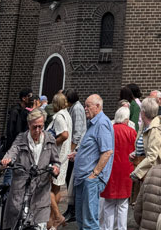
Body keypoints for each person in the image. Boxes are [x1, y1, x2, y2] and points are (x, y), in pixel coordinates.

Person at [0, 107, 61, 230]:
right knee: (17, 223)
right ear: (29, 125)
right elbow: (12, 152)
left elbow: (56, 161)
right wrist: (5, 161)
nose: (38, 130)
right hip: (21, 190)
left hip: (40, 192)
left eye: (40, 126)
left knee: (39, 225)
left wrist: (56, 168)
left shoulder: (49, 140)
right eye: (34, 127)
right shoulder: (21, 139)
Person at [73, 94, 115, 230]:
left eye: (87, 106)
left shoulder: (102, 123)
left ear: (97, 106)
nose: (85, 108)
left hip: (89, 180)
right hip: (83, 179)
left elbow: (107, 151)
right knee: (81, 220)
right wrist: (78, 155)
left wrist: (94, 174)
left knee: (89, 222)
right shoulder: (93, 123)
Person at [100, 105, 137, 230]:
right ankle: (121, 228)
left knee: (108, 203)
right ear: (126, 119)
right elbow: (136, 151)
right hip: (126, 170)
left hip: (110, 169)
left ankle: (107, 228)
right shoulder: (132, 132)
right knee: (123, 204)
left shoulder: (109, 130)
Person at [130, 96, 161, 181]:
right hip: (145, 174)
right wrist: (135, 153)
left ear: (143, 112)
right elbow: (145, 148)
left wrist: (137, 172)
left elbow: (152, 156)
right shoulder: (144, 127)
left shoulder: (155, 131)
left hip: (153, 175)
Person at [63, 88, 87, 224]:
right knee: (69, 180)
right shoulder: (73, 108)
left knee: (71, 180)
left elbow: (77, 132)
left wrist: (70, 150)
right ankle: (71, 208)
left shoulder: (77, 109)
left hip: (75, 149)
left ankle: (73, 210)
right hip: (73, 148)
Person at [48, 92, 72, 228]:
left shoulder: (59, 117)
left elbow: (64, 134)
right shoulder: (67, 115)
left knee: (47, 187)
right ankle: (52, 221)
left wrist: (52, 144)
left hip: (56, 157)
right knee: (56, 188)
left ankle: (57, 216)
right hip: (63, 156)